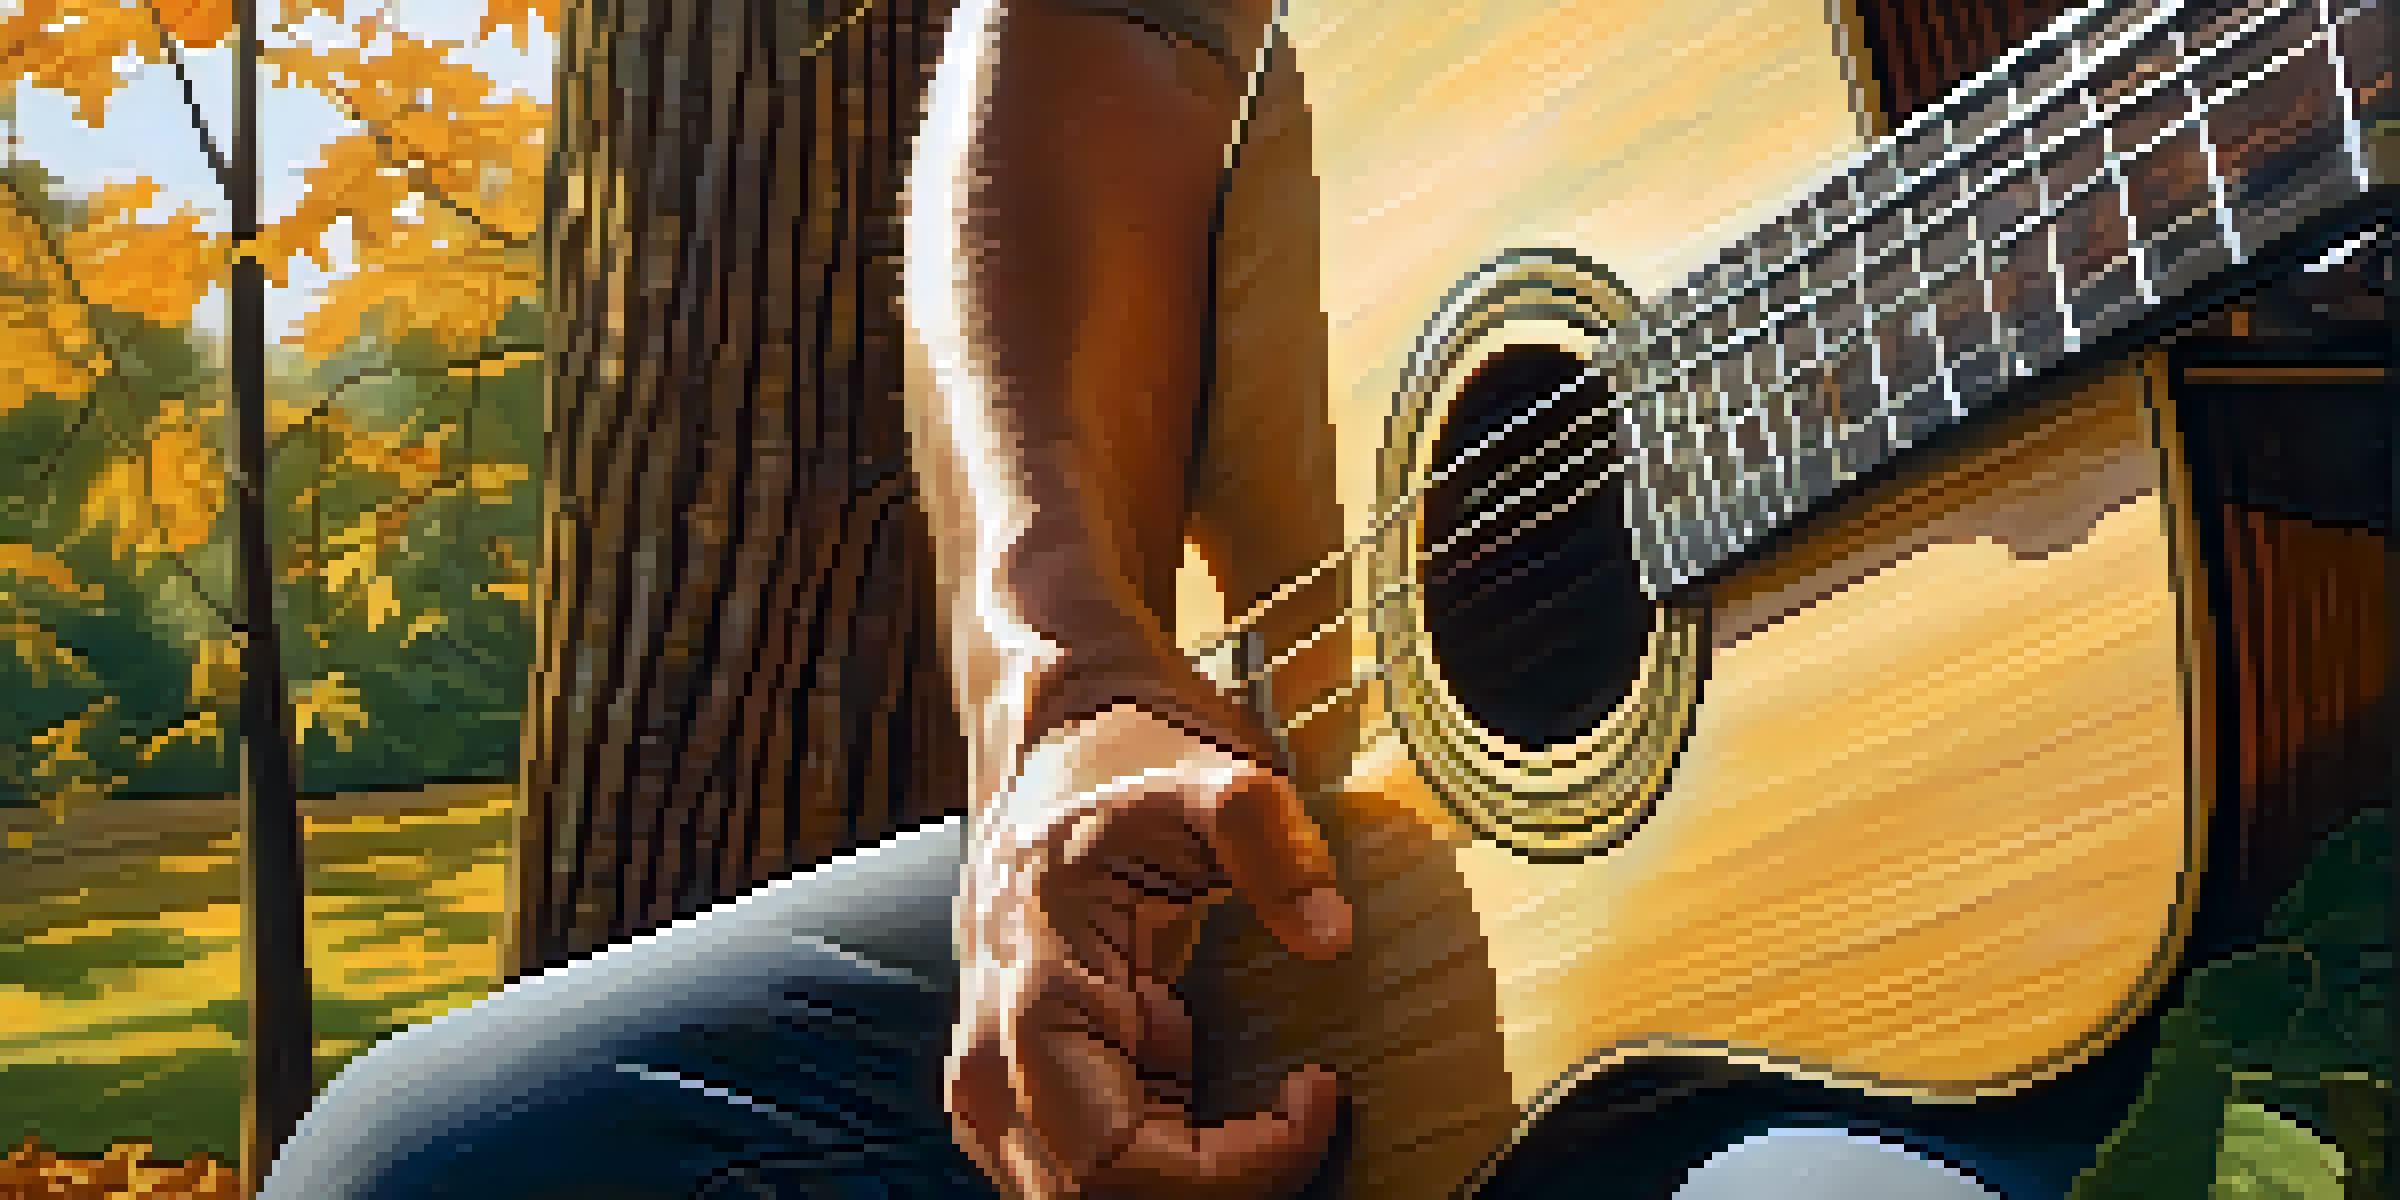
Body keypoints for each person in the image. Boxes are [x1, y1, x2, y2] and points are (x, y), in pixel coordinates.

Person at [254, 2, 2060, 1196]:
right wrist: (1065, 682)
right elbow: (1103, 27)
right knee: (442, 1164)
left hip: (2058, 883)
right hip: (1368, 814)